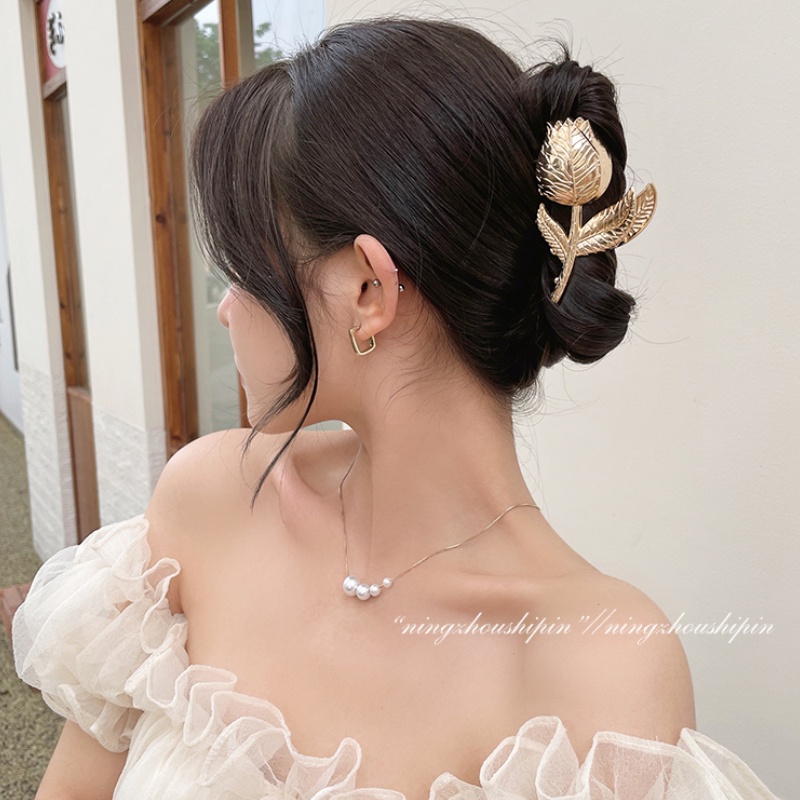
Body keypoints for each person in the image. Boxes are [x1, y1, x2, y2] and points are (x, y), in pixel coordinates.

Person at [12, 15, 782, 800]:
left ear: (367, 290)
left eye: (242, 271)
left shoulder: (599, 671)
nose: (226, 308)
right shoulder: (211, 502)